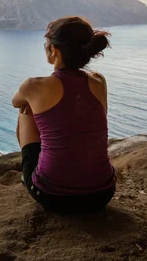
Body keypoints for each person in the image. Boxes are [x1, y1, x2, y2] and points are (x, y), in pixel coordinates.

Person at [11, 16, 116, 214]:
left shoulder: (33, 86)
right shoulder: (98, 81)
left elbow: (16, 101)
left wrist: (36, 102)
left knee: (26, 109)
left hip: (53, 196)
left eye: (47, 44)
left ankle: (28, 175)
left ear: (54, 50)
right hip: (102, 194)